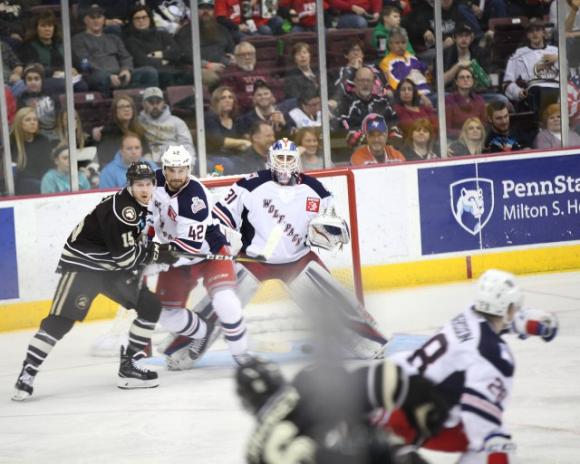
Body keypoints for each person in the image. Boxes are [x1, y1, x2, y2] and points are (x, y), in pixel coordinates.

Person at [208, 139, 389, 361]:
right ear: (270, 160)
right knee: (221, 299)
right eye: (280, 158)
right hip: (253, 258)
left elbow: (331, 227)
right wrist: (225, 239)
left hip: (298, 258)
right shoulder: (248, 185)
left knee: (334, 301)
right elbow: (218, 217)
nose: (284, 163)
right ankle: (185, 347)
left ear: (297, 161)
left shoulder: (317, 191)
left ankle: (367, 341)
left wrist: (327, 233)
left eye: (289, 159)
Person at [12, 162, 177, 400]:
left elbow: (127, 248)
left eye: (149, 184)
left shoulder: (138, 204)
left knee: (149, 305)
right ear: (129, 185)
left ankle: (128, 365)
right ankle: (27, 372)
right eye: (139, 184)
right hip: (85, 267)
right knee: (60, 322)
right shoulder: (123, 209)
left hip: (110, 268)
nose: (145, 189)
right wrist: (157, 252)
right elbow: (125, 258)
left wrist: (156, 250)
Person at [381, 269, 558, 463]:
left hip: (391, 396)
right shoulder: (493, 356)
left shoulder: (467, 315)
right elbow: (478, 420)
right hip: (410, 419)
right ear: (507, 309)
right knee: (496, 443)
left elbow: (499, 318)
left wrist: (534, 325)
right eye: (513, 307)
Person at [147, 145, 253, 369]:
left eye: (182, 170)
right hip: (174, 255)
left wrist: (154, 260)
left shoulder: (195, 199)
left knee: (227, 302)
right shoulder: (153, 181)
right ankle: (202, 331)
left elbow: (190, 246)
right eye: (172, 170)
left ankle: (242, 355)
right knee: (165, 314)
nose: (177, 176)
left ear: (189, 169)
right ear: (163, 169)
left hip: (208, 253)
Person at [235, 355, 449, 463]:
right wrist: (416, 394)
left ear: (246, 402)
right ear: (278, 379)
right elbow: (378, 380)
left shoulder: (254, 450)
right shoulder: (306, 382)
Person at [71, 4, 159, 96]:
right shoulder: (78, 39)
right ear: (86, 20)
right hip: (96, 74)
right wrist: (108, 75)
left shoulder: (114, 38)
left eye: (99, 17)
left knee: (150, 72)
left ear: (104, 20)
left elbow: (126, 57)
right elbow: (84, 62)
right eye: (92, 17)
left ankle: (138, 99)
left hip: (120, 73)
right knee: (102, 78)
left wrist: (126, 69)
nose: (96, 21)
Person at [19, 10, 88, 94]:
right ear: (36, 28)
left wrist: (75, 69)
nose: (47, 29)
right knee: (62, 84)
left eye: (50, 26)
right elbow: (33, 69)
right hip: (45, 79)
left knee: (82, 85)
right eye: (43, 26)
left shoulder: (61, 44)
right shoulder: (29, 46)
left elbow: (76, 62)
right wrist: (58, 71)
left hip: (68, 77)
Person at [123, 5, 191, 89]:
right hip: (155, 73)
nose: (141, 20)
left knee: (191, 74)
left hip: (174, 69)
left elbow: (177, 53)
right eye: (137, 18)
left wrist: (158, 54)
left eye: (144, 17)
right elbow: (141, 61)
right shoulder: (130, 41)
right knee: (167, 76)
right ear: (132, 21)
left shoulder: (162, 34)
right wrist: (164, 60)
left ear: (150, 19)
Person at [175, 0, 235, 89]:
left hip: (222, 65)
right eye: (202, 8)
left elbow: (231, 49)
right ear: (195, 10)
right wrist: (207, 65)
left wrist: (231, 58)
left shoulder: (223, 30)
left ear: (214, 11)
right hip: (196, 68)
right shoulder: (185, 31)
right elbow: (184, 55)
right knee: (212, 78)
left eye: (209, 8)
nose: (206, 12)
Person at [503, 18, 559, 113]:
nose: (534, 34)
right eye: (531, 31)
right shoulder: (519, 54)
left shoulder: (556, 51)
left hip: (557, 88)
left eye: (537, 30)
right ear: (527, 35)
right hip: (535, 91)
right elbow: (507, 82)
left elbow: (568, 74)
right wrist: (518, 92)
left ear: (543, 33)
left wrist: (558, 58)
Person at [334, 66, 399, 147]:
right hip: (355, 151)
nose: (365, 84)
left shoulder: (383, 103)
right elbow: (344, 132)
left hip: (384, 150)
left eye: (368, 80)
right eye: (361, 80)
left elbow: (395, 126)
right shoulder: (345, 104)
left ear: (373, 82)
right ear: (355, 82)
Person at [138, 86, 196, 164]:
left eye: (158, 102)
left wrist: (188, 164)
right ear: (143, 104)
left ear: (163, 103)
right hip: (147, 162)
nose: (155, 106)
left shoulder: (177, 122)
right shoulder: (138, 122)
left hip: (173, 162)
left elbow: (187, 146)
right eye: (151, 102)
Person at [10, 106, 57, 194]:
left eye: (35, 120)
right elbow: (18, 171)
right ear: (19, 123)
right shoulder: (11, 142)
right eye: (28, 120)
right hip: (22, 183)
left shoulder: (43, 140)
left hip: (43, 179)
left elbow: (49, 164)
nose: (33, 123)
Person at [94, 94, 149, 166]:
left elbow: (146, 152)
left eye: (128, 106)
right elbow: (106, 159)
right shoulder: (108, 132)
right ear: (115, 111)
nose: (126, 109)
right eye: (121, 107)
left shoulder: (139, 130)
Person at [221, 41, 274, 112]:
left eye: (250, 54)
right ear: (236, 57)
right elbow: (232, 96)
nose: (247, 57)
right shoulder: (230, 72)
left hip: (267, 106)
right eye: (243, 55)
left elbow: (274, 88)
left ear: (254, 55)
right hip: (246, 110)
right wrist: (252, 102)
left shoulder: (263, 69)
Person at [379, 28, 431, 98]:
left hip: (429, 91)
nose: (401, 46)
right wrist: (420, 96)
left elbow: (428, 75)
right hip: (413, 97)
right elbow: (397, 86)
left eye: (403, 42)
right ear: (390, 44)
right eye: (397, 43)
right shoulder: (385, 62)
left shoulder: (412, 57)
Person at [205, 86, 251, 164]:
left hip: (235, 156)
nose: (228, 100)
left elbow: (246, 138)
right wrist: (243, 142)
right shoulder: (209, 118)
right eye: (223, 98)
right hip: (215, 157)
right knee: (228, 164)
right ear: (216, 102)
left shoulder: (237, 119)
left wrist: (245, 142)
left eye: (230, 97)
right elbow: (219, 141)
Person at [442, 22, 490, 90]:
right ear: (454, 38)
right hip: (451, 92)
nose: (464, 39)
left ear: (472, 38)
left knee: (500, 98)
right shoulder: (445, 54)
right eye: (460, 35)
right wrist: (458, 66)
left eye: (467, 35)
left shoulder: (481, 53)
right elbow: (440, 83)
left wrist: (474, 67)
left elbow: (487, 81)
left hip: (476, 91)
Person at [17, 63, 58, 140]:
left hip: (54, 136)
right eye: (29, 79)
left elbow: (59, 120)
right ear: (25, 82)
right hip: (31, 139)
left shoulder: (52, 97)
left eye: (36, 79)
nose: (33, 82)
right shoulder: (21, 99)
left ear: (42, 80)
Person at [445, 65, 487, 140]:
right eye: (462, 77)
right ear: (456, 82)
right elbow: (446, 129)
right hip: (456, 141)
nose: (465, 79)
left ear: (472, 81)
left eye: (468, 77)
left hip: (477, 141)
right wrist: (466, 134)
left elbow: (484, 125)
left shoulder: (479, 100)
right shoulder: (449, 100)